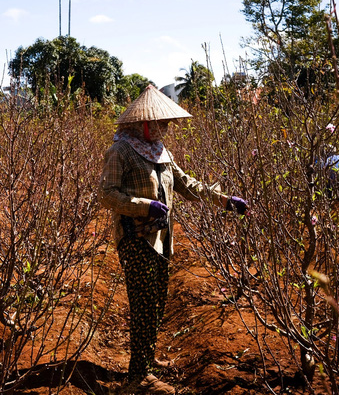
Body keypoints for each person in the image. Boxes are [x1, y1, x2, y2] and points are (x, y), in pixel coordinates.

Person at [99, 85, 247, 394]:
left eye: (167, 123)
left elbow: (185, 183)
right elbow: (107, 194)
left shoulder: (160, 151)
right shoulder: (120, 151)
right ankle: (138, 378)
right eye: (161, 123)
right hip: (136, 238)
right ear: (143, 123)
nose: (166, 128)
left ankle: (147, 359)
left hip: (162, 240)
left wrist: (223, 200)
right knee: (143, 305)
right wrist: (143, 206)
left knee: (157, 302)